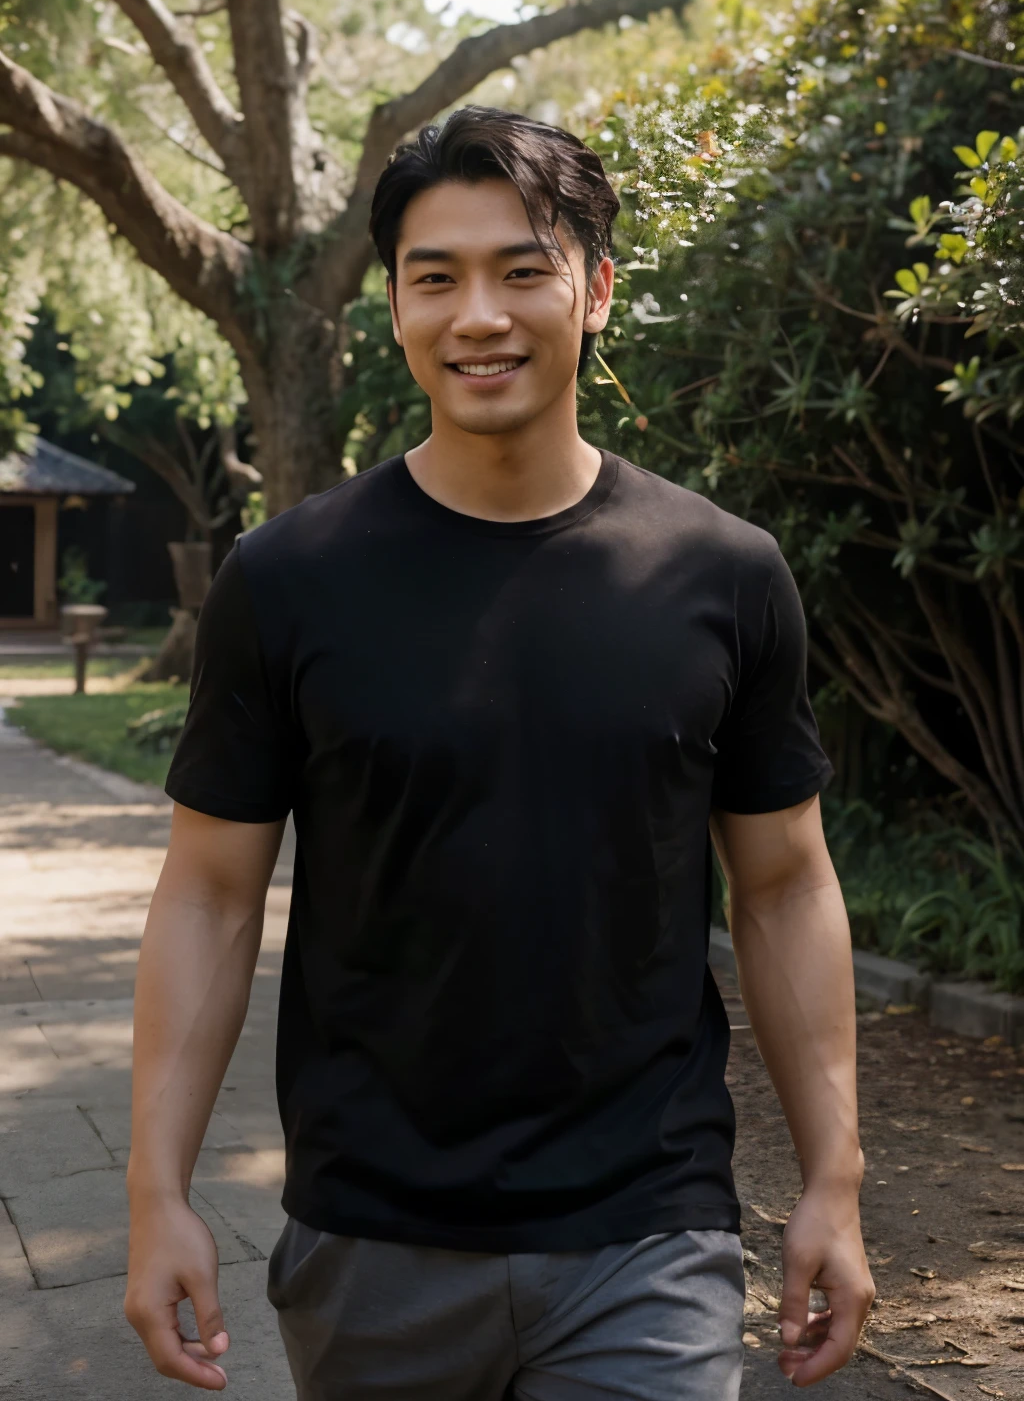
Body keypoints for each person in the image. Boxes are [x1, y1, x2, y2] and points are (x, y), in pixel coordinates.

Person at [124, 105, 874, 1399]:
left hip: (648, 1228)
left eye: (522, 270)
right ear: (399, 309)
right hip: (372, 1237)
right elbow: (208, 892)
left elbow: (785, 884)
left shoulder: (725, 576)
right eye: (437, 277)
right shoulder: (289, 581)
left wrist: (835, 1182)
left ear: (595, 291)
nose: (480, 314)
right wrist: (154, 1192)